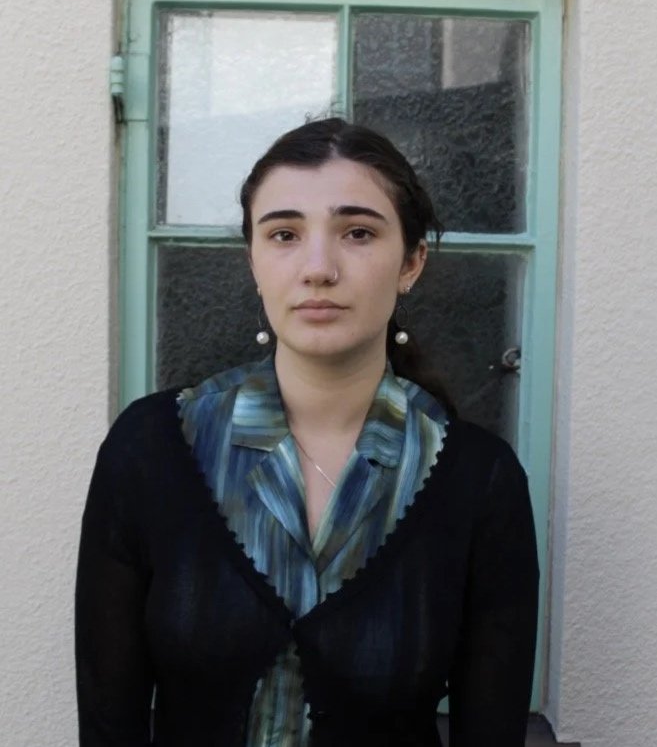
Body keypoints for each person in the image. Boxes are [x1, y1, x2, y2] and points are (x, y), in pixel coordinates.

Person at [75, 118, 539, 747]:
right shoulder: (151, 450)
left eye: (357, 233)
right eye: (285, 234)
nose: (318, 268)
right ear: (254, 261)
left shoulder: (478, 479)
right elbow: (109, 721)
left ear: (411, 262)